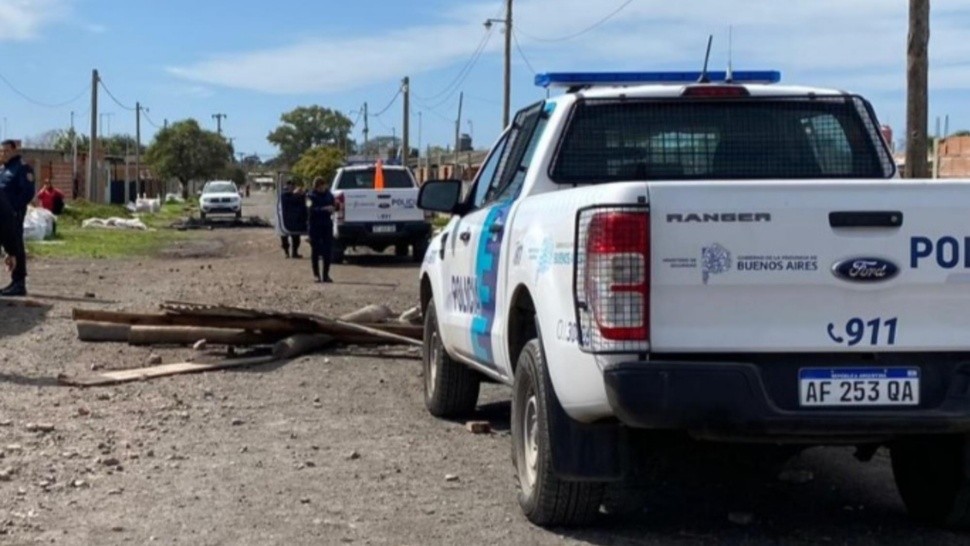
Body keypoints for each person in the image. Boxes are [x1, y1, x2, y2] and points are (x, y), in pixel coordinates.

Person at [0, 140, 34, 296]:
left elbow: (27, 192)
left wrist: (14, 209)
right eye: (1, 151)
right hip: (2, 215)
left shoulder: (21, 167)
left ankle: (19, 283)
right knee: (8, 246)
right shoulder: (3, 169)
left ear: (14, 151)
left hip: (13, 214)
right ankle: (14, 282)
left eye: (6, 151)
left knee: (16, 245)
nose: (3, 154)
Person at [307, 176, 336, 283]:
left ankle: (326, 275)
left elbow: (335, 205)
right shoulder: (310, 196)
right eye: (319, 186)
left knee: (327, 251)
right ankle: (316, 275)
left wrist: (335, 207)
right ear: (316, 186)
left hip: (327, 225)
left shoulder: (329, 195)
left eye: (323, 186)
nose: (322, 188)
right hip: (315, 226)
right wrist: (324, 209)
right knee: (315, 251)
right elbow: (310, 210)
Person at [279, 181, 305, 258]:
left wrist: (301, 194)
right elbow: (291, 200)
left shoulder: (297, 195)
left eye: (293, 186)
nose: (292, 187)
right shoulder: (284, 195)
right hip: (285, 219)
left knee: (296, 238)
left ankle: (294, 253)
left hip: (295, 219)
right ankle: (286, 252)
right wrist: (297, 194)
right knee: (284, 237)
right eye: (290, 186)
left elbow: (302, 203)